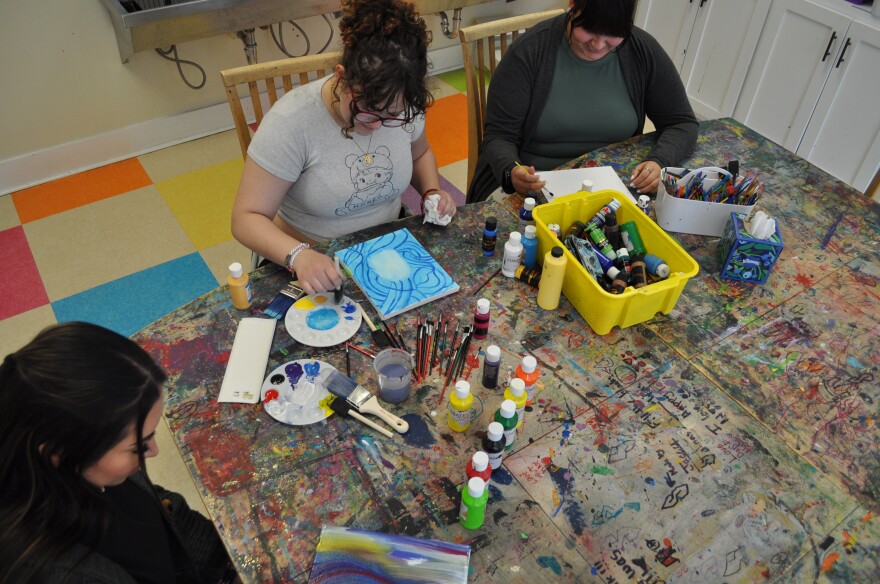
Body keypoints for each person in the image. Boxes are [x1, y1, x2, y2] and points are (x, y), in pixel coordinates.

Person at [232, 0, 458, 296]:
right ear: (342, 78)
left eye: (393, 116)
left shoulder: (404, 108)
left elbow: (420, 153)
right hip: (309, 255)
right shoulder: (292, 122)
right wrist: (299, 255)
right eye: (368, 111)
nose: (378, 125)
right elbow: (245, 218)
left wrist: (431, 192)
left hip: (385, 245)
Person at [0, 322, 237, 584]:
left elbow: (167, 514)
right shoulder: (57, 573)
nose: (154, 452)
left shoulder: (82, 471)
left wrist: (230, 558)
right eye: (137, 446)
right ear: (58, 452)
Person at [466, 0, 698, 203]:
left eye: (612, 35)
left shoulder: (642, 50)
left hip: (612, 185)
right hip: (538, 185)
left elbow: (682, 122)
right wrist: (512, 172)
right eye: (588, 30)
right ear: (572, 5)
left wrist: (658, 161)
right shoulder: (527, 53)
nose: (598, 45)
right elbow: (499, 137)